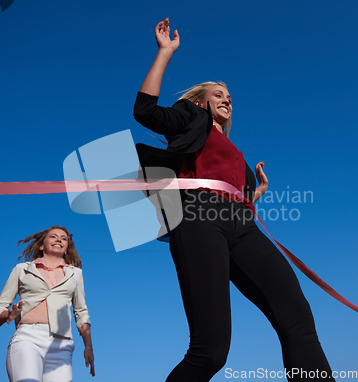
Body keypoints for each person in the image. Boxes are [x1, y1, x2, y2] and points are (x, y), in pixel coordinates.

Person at [133, 18, 335, 382]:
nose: (226, 99)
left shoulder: (236, 153)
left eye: (229, 97)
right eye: (218, 94)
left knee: (298, 318)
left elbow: (236, 194)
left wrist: (254, 193)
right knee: (210, 352)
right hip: (197, 219)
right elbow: (145, 112)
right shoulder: (190, 118)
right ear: (200, 101)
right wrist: (165, 53)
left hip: (241, 225)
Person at [0, 226, 95, 381]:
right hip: (28, 338)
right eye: (53, 236)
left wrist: (88, 346)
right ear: (41, 245)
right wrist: (8, 315)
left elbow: (81, 312)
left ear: (66, 249)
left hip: (62, 344)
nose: (59, 239)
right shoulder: (22, 269)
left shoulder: (75, 274)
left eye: (64, 238)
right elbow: (0, 305)